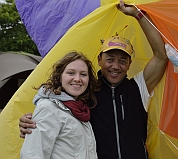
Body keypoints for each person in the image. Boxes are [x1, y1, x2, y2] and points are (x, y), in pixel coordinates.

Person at [19, 1, 169, 159]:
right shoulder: (86, 92)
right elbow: (55, 108)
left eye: (122, 61)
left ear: (129, 64)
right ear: (99, 60)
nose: (115, 66)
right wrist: (31, 122)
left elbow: (161, 56)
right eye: (110, 59)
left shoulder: (138, 88)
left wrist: (138, 15)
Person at [20, 51, 99, 159]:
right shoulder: (48, 108)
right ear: (60, 76)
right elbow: (32, 155)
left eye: (83, 74)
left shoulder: (79, 109)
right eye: (71, 73)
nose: (77, 78)